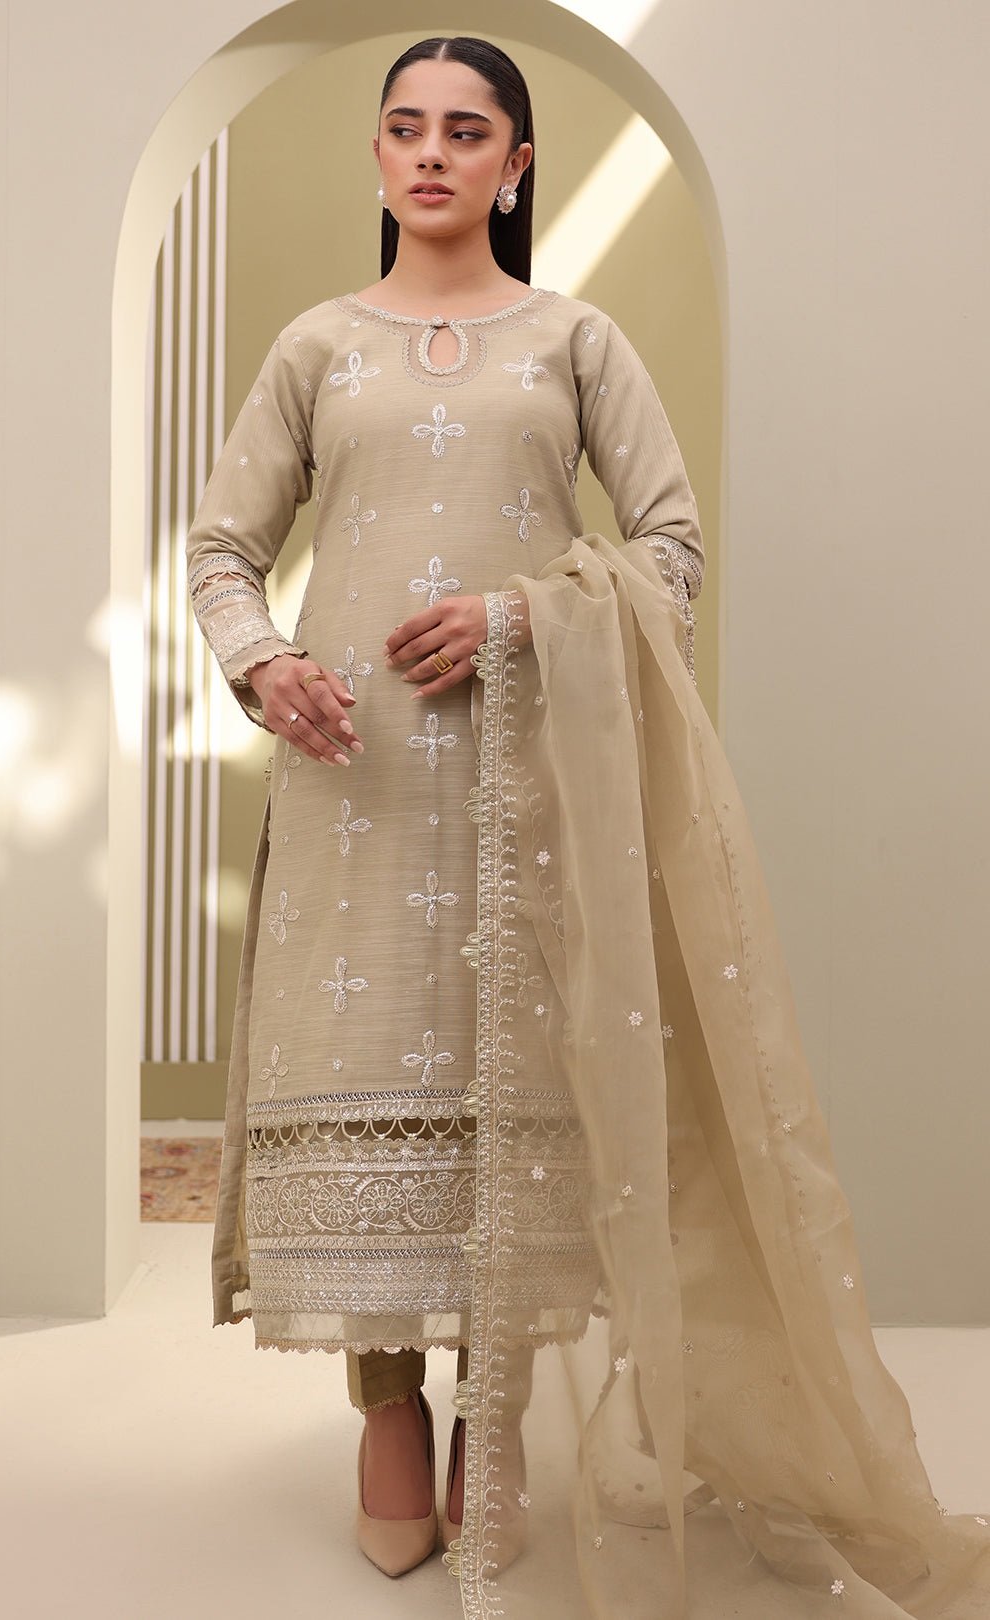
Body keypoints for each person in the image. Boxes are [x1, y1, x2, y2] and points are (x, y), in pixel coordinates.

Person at [186, 32, 990, 1620]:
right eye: (405, 127)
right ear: (378, 155)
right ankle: (390, 1405)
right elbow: (222, 546)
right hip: (357, 784)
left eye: (465, 130)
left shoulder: (573, 341)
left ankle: (496, 1411)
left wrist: (518, 616)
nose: (431, 153)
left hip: (527, 786)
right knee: (363, 1069)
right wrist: (264, 663)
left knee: (518, 1083)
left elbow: (671, 552)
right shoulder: (315, 348)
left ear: (516, 162)